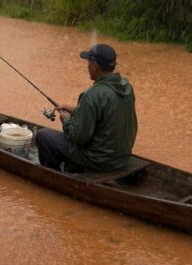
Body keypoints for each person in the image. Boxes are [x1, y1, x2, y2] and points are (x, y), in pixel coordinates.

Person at [35, 43, 137, 172]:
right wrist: (75, 110)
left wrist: (66, 120)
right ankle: (72, 167)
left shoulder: (92, 95)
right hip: (122, 158)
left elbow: (78, 137)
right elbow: (106, 115)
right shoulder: (126, 87)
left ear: (95, 66)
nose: (87, 67)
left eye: (88, 63)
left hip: (99, 160)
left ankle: (55, 176)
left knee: (43, 136)